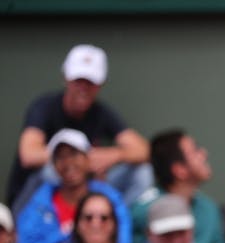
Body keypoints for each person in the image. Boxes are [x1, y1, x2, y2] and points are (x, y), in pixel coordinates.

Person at [7, 44, 151, 211]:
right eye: (78, 81)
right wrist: (80, 160)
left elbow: (144, 150)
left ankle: (113, 222)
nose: (83, 88)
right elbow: (28, 154)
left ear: (100, 85)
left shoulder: (101, 113)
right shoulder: (44, 107)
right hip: (32, 204)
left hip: (86, 201)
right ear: (66, 79)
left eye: (90, 82)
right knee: (51, 172)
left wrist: (115, 155)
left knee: (143, 172)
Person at [15, 128, 132, 243]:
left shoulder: (109, 198)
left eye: (74, 154)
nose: (68, 162)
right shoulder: (40, 201)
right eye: (60, 157)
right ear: (53, 164)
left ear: (87, 158)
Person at [131, 130, 225, 243]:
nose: (204, 153)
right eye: (195, 150)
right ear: (179, 170)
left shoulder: (209, 208)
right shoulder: (144, 211)